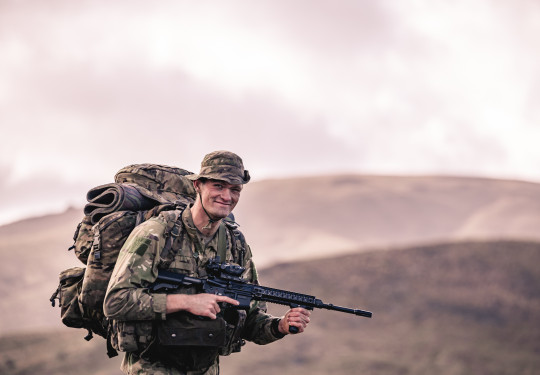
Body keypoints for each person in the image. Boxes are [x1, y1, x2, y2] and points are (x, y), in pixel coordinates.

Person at [104, 150, 311, 375]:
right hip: (151, 368)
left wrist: (279, 326)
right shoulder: (157, 233)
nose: (227, 196)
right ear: (198, 186)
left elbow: (250, 320)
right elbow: (116, 302)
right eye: (218, 186)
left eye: (235, 189)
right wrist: (186, 302)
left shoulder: (236, 244)